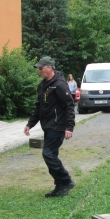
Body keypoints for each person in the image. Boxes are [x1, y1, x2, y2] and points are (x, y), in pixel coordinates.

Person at [24, 56, 76, 198]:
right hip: (47, 126)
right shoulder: (42, 86)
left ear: (50, 68)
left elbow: (69, 106)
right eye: (39, 68)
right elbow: (38, 107)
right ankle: (60, 186)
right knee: (51, 156)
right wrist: (30, 124)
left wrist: (69, 127)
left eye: (41, 68)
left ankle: (66, 181)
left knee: (48, 154)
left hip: (58, 126)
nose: (39, 70)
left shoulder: (59, 85)